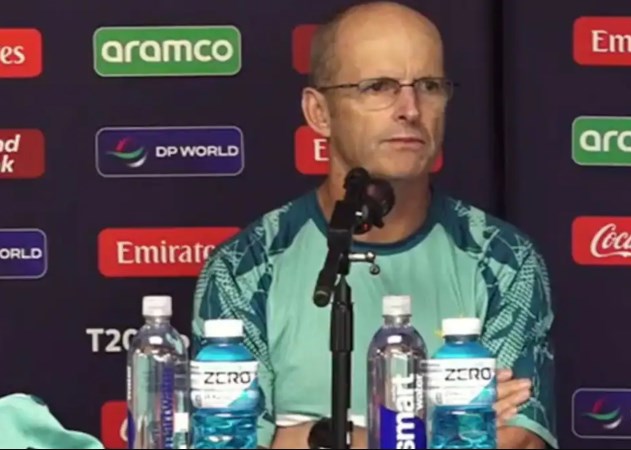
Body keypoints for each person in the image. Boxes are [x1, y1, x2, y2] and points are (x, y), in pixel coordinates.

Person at [191, 1, 557, 448]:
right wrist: (445, 428)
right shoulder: (245, 267)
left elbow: (519, 440)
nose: (410, 109)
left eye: (429, 86)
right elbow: (228, 440)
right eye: (378, 87)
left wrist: (311, 435)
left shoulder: (504, 259)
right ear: (319, 113)